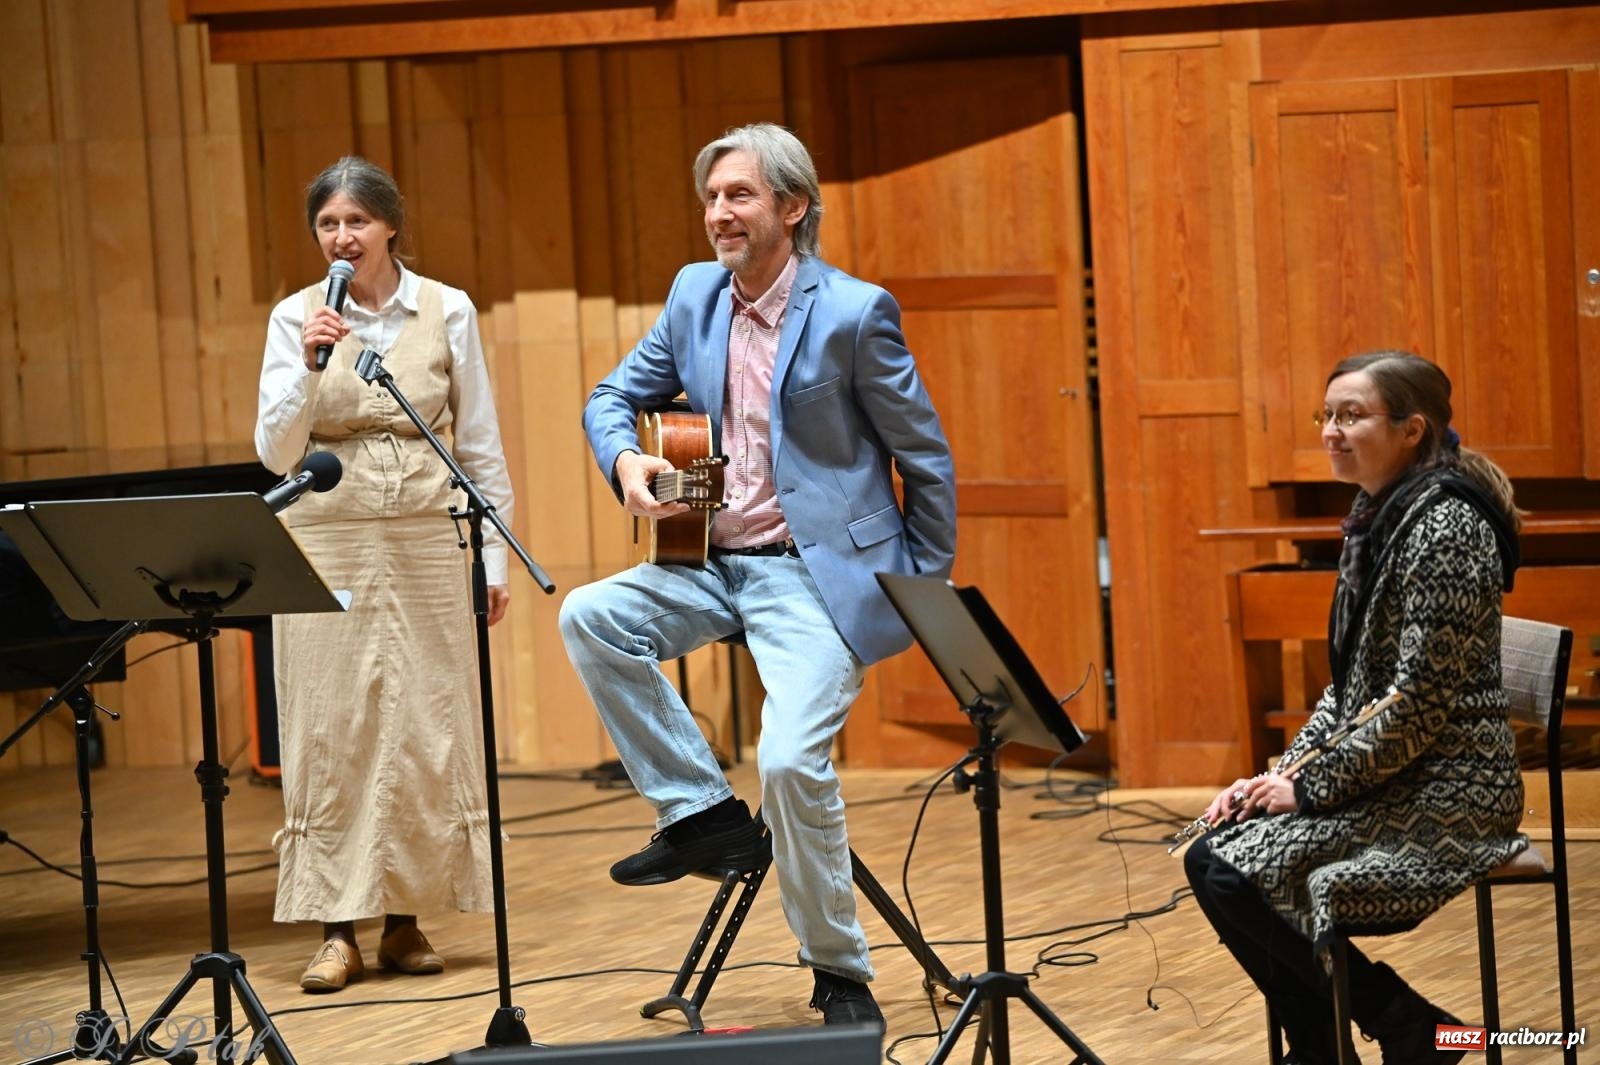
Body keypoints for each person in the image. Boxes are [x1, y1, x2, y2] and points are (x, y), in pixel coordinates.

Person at [558, 123, 956, 1027]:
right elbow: (610, 397)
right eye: (711, 198)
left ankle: (838, 969)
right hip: (707, 560)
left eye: (739, 195)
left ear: (792, 207)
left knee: (787, 760)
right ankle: (698, 811)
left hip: (814, 580)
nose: (718, 214)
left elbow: (923, 458)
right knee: (590, 614)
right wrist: (625, 463)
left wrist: (921, 595)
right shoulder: (694, 296)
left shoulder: (855, 313)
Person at [1184, 351, 1526, 1064]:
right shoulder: (1376, 516)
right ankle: (1353, 1035)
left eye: (1352, 415)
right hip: (1395, 771)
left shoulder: (1448, 528)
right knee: (1210, 852)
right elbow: (1349, 690)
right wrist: (1275, 776)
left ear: (1411, 430)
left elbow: (1417, 705)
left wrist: (1307, 787)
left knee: (1232, 872)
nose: (1332, 431)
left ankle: (1386, 1025)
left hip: (1454, 787)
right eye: (1327, 416)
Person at [255, 156, 515, 993]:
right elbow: (273, 450)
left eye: (356, 222)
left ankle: (405, 921)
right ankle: (338, 929)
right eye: (328, 225)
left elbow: (478, 443)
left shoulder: (449, 309)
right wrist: (307, 365)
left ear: (389, 224)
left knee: (423, 719)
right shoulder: (297, 316)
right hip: (326, 535)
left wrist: (496, 556)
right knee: (333, 723)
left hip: (426, 537)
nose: (342, 237)